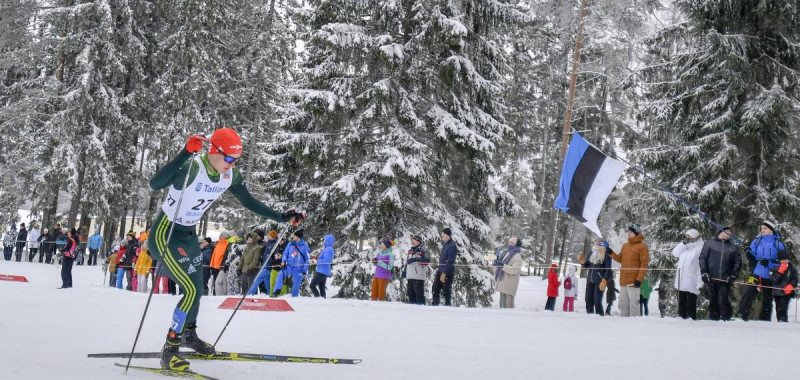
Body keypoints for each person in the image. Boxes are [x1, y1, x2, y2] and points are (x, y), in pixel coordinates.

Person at [145, 128, 304, 371]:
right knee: (189, 289)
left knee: (197, 288)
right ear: (214, 151)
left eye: (235, 160)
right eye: (228, 158)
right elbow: (155, 184)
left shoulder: (230, 176)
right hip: (165, 233)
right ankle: (170, 349)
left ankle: (189, 334)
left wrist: (282, 217)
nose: (231, 164)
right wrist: (184, 153)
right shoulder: (193, 168)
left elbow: (249, 202)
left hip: (188, 235)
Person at [737, 221, 786, 321]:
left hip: (770, 275)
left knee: (767, 299)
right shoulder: (757, 241)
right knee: (748, 292)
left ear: (771, 230)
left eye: (765, 228)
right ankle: (741, 315)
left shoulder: (778, 244)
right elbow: (752, 257)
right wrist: (747, 251)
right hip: (756, 273)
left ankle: (765, 319)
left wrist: (769, 263)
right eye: (762, 228)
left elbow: (784, 262)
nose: (762, 230)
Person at [609, 224, 649, 317]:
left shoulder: (642, 247)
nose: (629, 233)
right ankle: (624, 327)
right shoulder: (625, 246)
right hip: (623, 280)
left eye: (631, 232)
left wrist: (639, 279)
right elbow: (620, 259)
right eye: (628, 232)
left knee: (634, 306)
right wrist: (611, 252)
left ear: (636, 233)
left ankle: (635, 327)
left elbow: (644, 265)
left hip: (634, 281)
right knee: (622, 305)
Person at [671, 228, 705, 320]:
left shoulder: (700, 248)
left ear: (695, 237)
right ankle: (682, 318)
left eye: (689, 236)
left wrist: (700, 280)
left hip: (692, 278)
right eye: (686, 236)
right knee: (681, 302)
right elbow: (675, 253)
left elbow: (701, 265)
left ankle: (691, 320)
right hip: (681, 278)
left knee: (690, 302)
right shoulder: (685, 247)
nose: (687, 238)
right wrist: (682, 244)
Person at [578, 239, 612, 316]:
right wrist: (582, 261)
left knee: (597, 302)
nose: (596, 242)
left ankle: (599, 317)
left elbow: (608, 269)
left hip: (600, 281)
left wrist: (604, 280)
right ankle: (589, 316)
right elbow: (587, 266)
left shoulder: (606, 254)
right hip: (590, 280)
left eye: (598, 241)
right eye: (595, 241)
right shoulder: (591, 252)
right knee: (588, 300)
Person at [272, 229, 309, 297]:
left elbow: (307, 259)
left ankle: (294, 297)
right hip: (288, 266)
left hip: (298, 269)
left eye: (294, 236)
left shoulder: (304, 246)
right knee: (280, 275)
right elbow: (285, 254)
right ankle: (276, 293)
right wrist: (284, 261)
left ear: (298, 237)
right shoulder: (290, 244)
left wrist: (304, 269)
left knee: (296, 285)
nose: (293, 237)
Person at [493, 237, 522, 309]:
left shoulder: (517, 256)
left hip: (510, 284)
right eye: (509, 242)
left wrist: (502, 266)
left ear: (515, 245)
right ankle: (502, 319)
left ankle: (510, 319)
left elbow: (514, 270)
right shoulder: (507, 253)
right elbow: (501, 264)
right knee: (502, 305)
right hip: (503, 282)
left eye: (511, 243)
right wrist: (497, 263)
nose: (509, 244)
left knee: (509, 305)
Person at [432, 228, 457, 306]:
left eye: (443, 235)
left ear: (447, 235)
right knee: (435, 288)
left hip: (447, 272)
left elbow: (450, 261)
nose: (441, 237)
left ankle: (447, 305)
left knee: (446, 290)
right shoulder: (445, 244)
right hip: (440, 270)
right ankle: (435, 304)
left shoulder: (452, 245)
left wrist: (444, 273)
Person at [771, 250, 798, 323]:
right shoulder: (775, 268)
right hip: (777, 292)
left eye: (786, 260)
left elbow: (795, 279)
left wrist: (791, 285)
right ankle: (779, 320)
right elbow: (773, 280)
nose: (785, 262)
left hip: (787, 292)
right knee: (778, 308)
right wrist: (779, 272)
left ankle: (783, 320)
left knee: (783, 307)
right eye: (782, 260)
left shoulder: (792, 269)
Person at [249, 230, 277, 295]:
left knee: (258, 278)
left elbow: (275, 256)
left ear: (273, 237)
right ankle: (269, 295)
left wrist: (270, 264)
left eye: (269, 235)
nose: (267, 236)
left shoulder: (274, 245)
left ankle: (249, 294)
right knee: (267, 282)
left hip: (269, 267)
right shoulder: (268, 244)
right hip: (265, 265)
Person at [404, 235, 430, 305]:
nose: (412, 241)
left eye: (414, 240)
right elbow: (407, 262)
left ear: (418, 241)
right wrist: (404, 271)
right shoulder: (410, 250)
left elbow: (427, 261)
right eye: (412, 240)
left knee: (419, 295)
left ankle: (422, 310)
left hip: (418, 276)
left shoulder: (424, 249)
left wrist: (416, 259)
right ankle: (412, 312)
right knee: (410, 294)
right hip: (410, 275)